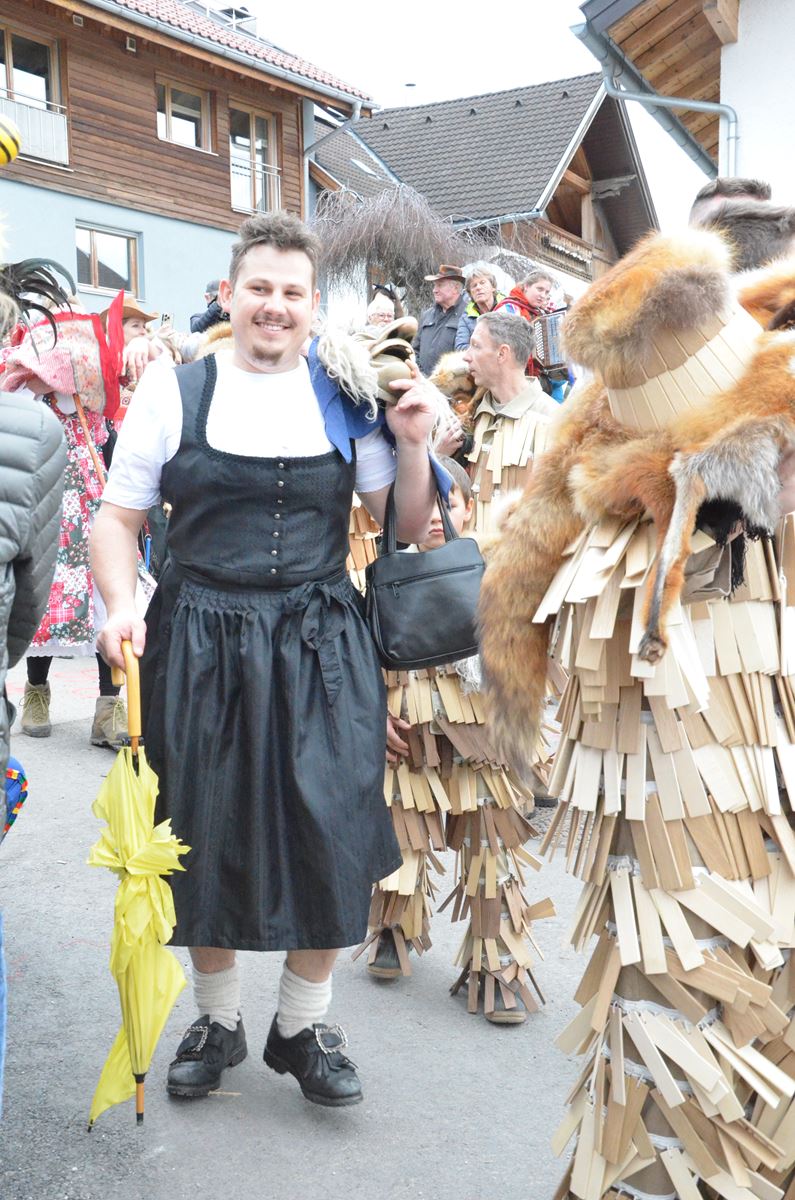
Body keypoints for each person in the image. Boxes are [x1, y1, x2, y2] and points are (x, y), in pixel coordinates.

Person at [91, 211, 444, 1108]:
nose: (274, 306)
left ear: (312, 305)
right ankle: (217, 1019)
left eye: (292, 292)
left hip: (320, 638)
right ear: (230, 294)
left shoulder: (344, 394)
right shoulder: (175, 389)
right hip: (198, 634)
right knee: (196, 824)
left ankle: (301, 1024)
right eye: (259, 288)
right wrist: (122, 605)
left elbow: (403, 524)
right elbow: (117, 520)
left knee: (331, 822)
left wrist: (412, 443)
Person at [479, 226, 795, 1199]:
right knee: (666, 1078)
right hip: (653, 860)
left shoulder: (769, 475)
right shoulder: (595, 511)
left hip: (764, 826)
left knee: (753, 1071)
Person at [358, 456, 552, 1022]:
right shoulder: (379, 576)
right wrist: (371, 712)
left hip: (483, 734)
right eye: (427, 505)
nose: (439, 516)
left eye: (452, 502)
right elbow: (359, 652)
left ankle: (497, 968)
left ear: (470, 507)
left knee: (492, 848)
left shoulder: (501, 566)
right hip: (407, 728)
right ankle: (392, 930)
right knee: (403, 835)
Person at [462, 311, 558, 533]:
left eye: (476, 346)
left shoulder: (554, 420)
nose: (466, 356)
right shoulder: (470, 415)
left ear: (502, 353)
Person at [414, 264, 467, 376]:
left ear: (455, 288)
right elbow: (415, 350)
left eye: (440, 285)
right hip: (422, 382)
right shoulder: (427, 315)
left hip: (451, 384)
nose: (434, 290)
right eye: (434, 286)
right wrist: (421, 376)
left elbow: (467, 357)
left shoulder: (467, 316)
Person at [454, 265, 504, 350]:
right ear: (470, 293)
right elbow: (460, 347)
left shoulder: (508, 307)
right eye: (474, 286)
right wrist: (487, 351)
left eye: (482, 282)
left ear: (493, 287)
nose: (478, 287)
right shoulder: (466, 318)